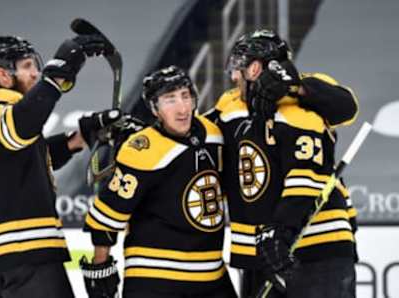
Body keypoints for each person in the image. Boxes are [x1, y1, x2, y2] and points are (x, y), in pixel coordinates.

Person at [0, 32, 123, 298]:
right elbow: (22, 126)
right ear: (3, 76)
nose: (36, 73)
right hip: (18, 249)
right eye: (27, 66)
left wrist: (81, 137)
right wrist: (58, 73)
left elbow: (22, 158)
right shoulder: (2, 105)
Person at [218, 29, 358, 298]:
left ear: (256, 68)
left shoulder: (305, 98)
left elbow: (347, 107)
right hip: (260, 253)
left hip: (319, 247)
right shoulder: (229, 103)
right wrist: (140, 134)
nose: (234, 76)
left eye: (239, 67)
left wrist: (295, 87)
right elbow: (193, 134)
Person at [80, 65, 238, 298]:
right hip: (154, 276)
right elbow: (109, 215)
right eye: (170, 99)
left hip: (211, 274)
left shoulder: (213, 134)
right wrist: (100, 262)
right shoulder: (141, 149)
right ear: (155, 108)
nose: (182, 107)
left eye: (186, 96)